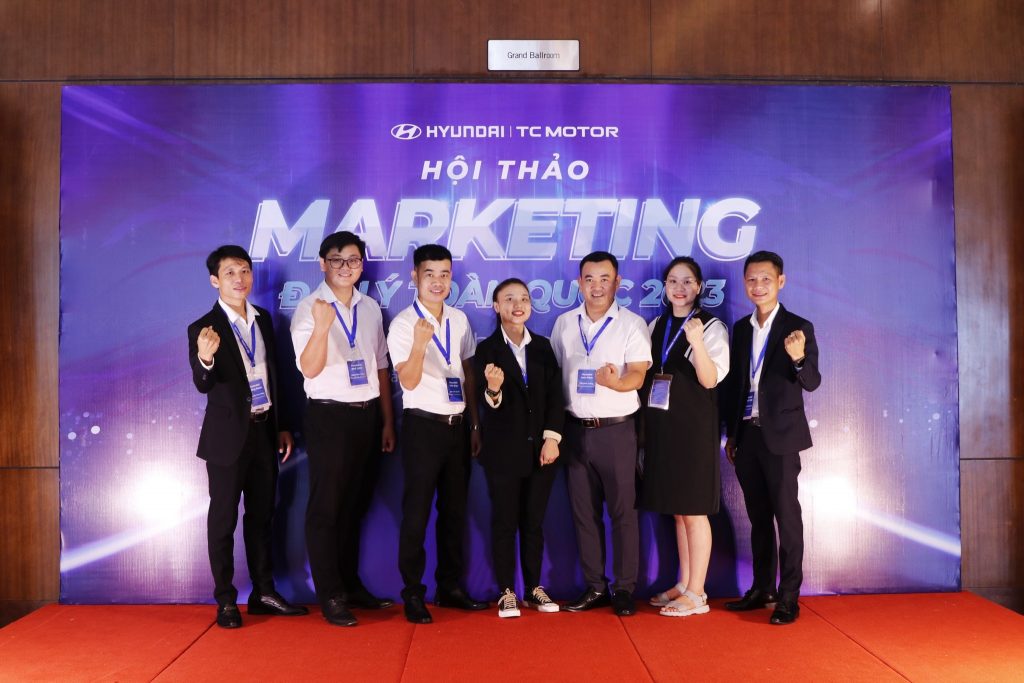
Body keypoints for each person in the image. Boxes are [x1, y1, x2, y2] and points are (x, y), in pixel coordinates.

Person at [187, 245, 308, 629]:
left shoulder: (263, 320)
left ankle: (263, 593)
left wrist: (282, 425)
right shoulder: (203, 328)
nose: (239, 279)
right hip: (227, 439)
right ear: (214, 281)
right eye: (230, 273)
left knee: (262, 517)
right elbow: (202, 383)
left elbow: (276, 375)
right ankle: (226, 601)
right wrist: (205, 358)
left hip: (264, 431)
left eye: (244, 271)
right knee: (223, 519)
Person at [290, 232, 397, 627]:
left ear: (361, 265)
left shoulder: (369, 308)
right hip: (329, 417)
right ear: (322, 263)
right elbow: (309, 368)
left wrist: (387, 420)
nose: (345, 267)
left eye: (353, 260)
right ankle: (331, 594)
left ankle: (350, 585)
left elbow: (380, 365)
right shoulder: (309, 309)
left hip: (366, 416)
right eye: (336, 260)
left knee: (354, 505)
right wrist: (322, 327)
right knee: (327, 508)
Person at [386, 244, 487, 624]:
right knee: (416, 514)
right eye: (430, 274)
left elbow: (468, 374)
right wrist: (419, 344)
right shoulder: (402, 324)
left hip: (457, 427)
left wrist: (474, 424)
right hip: (423, 426)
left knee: (455, 512)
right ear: (415, 276)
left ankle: (450, 586)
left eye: (445, 274)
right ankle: (413, 593)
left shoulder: (459, 319)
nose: (438, 282)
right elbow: (409, 381)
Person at [550, 251, 652, 617]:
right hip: (575, 431)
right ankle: (595, 586)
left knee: (624, 513)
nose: (597, 286)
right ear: (579, 283)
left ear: (617, 282)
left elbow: (638, 375)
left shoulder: (632, 324)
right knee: (584, 514)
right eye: (590, 279)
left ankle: (624, 588)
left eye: (604, 279)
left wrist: (617, 383)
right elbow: (555, 377)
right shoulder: (564, 324)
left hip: (617, 431)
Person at [723, 250, 821, 625]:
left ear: (781, 281)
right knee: (759, 518)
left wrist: (798, 358)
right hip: (747, 436)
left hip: (781, 438)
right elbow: (736, 386)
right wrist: (732, 435)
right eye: (751, 279)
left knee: (787, 518)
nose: (758, 286)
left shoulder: (798, 327)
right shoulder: (741, 329)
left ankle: (788, 597)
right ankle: (762, 588)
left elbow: (812, 381)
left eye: (765, 279)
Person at [639, 257, 730, 617]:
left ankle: (698, 593)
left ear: (699, 286)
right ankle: (684, 582)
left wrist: (697, 343)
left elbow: (710, 380)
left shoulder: (711, 327)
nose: (680, 288)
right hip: (664, 429)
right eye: (673, 281)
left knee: (694, 511)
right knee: (679, 512)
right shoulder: (656, 325)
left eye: (687, 281)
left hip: (694, 431)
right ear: (664, 286)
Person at [474, 278, 565, 618]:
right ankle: (506, 591)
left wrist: (552, 437)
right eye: (509, 298)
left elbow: (556, 396)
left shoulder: (542, 347)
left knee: (533, 522)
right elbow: (488, 403)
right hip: (503, 452)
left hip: (542, 452)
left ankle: (533, 588)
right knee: (505, 522)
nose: (518, 304)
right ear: (496, 306)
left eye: (524, 298)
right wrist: (493, 389)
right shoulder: (487, 350)